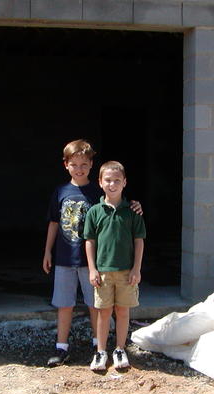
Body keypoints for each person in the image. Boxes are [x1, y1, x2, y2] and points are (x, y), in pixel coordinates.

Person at [43, 140, 141, 367]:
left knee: (96, 304)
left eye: (84, 164)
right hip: (64, 258)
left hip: (93, 261)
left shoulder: (99, 190)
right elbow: (54, 223)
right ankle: (61, 347)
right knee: (64, 303)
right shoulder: (60, 191)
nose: (79, 169)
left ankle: (99, 346)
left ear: (91, 165)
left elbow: (120, 206)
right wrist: (48, 251)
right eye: (74, 164)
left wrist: (136, 205)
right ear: (65, 164)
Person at [83, 161, 146, 371]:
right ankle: (101, 351)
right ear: (100, 182)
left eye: (117, 180)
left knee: (122, 311)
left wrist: (137, 268)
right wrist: (92, 268)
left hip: (127, 272)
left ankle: (120, 349)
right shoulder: (94, 212)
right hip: (103, 273)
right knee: (103, 311)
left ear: (125, 182)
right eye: (108, 180)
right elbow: (90, 241)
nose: (112, 184)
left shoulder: (132, 212)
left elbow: (139, 240)